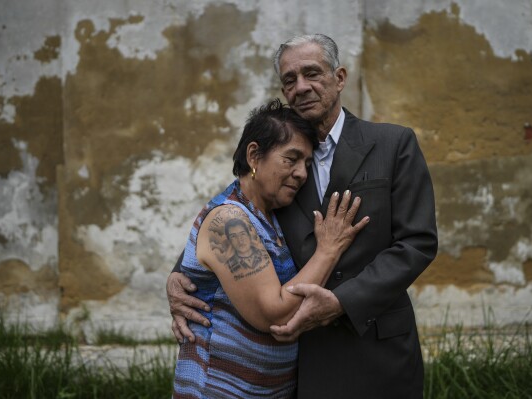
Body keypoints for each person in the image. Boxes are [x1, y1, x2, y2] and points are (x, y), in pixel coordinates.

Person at [168, 34, 438, 398]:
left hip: (377, 345)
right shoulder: (280, 158)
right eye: (289, 80)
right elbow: (235, 217)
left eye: (312, 73)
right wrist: (180, 277)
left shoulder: (393, 144)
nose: (301, 87)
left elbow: (417, 242)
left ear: (340, 78)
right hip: (303, 358)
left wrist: (344, 301)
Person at [172, 98, 369, 398]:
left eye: (306, 163)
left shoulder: (270, 216)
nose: (302, 173)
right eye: (291, 159)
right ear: (254, 155)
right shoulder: (229, 220)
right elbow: (273, 314)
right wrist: (329, 250)